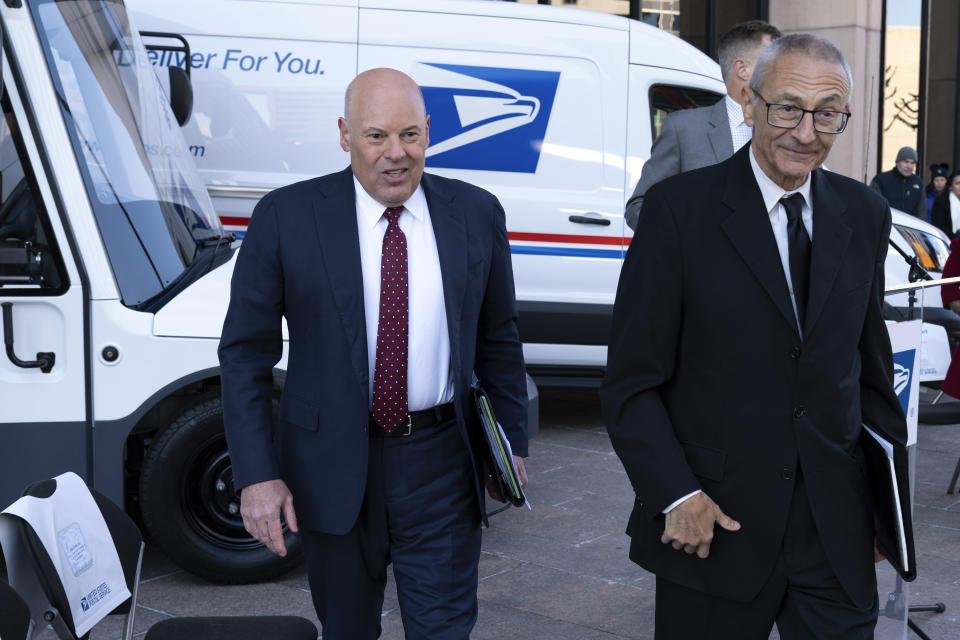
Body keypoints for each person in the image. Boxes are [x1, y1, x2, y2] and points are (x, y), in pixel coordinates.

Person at [601, 34, 907, 638]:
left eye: (827, 114)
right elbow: (631, 384)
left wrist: (884, 511)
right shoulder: (678, 212)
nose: (806, 131)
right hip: (713, 524)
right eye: (788, 107)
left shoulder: (865, 214)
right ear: (750, 103)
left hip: (835, 535)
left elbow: (870, 372)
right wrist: (675, 495)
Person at [218, 68, 528, 640]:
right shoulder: (287, 217)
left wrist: (509, 439)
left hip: (442, 463)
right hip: (329, 466)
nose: (396, 154)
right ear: (344, 135)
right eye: (376, 136)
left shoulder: (477, 213)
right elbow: (244, 354)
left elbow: (499, 336)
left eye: (410, 135)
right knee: (346, 630)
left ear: (429, 132)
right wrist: (256, 476)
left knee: (444, 629)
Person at [624, 20, 781, 230]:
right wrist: (690, 240)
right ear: (743, 69)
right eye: (775, 64)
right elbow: (638, 208)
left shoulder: (790, 129)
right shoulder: (684, 130)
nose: (785, 74)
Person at [870, 146, 924, 216]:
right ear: (897, 162)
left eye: (912, 163)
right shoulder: (881, 180)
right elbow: (874, 205)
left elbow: (922, 210)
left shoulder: (917, 182)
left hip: (910, 226)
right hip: (888, 225)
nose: (909, 166)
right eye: (906, 161)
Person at [931, 170, 960, 239]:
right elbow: (939, 228)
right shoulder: (941, 202)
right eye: (958, 183)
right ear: (950, 186)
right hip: (949, 242)